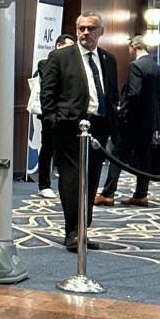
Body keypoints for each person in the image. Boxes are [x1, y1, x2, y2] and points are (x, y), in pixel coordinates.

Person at [39, 13, 119, 251]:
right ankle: (72, 231)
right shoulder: (61, 57)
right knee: (73, 179)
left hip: (99, 126)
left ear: (101, 32)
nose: (86, 33)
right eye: (81, 28)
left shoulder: (108, 59)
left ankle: (84, 228)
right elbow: (48, 94)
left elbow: (112, 93)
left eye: (91, 28)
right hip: (70, 127)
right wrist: (55, 121)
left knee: (92, 179)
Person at [97, 35, 160, 206]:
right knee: (144, 158)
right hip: (149, 122)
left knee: (116, 155)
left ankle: (108, 193)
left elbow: (133, 94)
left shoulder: (136, 66)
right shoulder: (157, 68)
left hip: (132, 122)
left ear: (134, 46)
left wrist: (122, 113)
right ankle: (141, 194)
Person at [36, 32, 75, 198]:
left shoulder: (76, 65)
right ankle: (44, 184)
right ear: (58, 46)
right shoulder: (46, 63)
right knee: (47, 148)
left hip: (70, 115)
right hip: (51, 115)